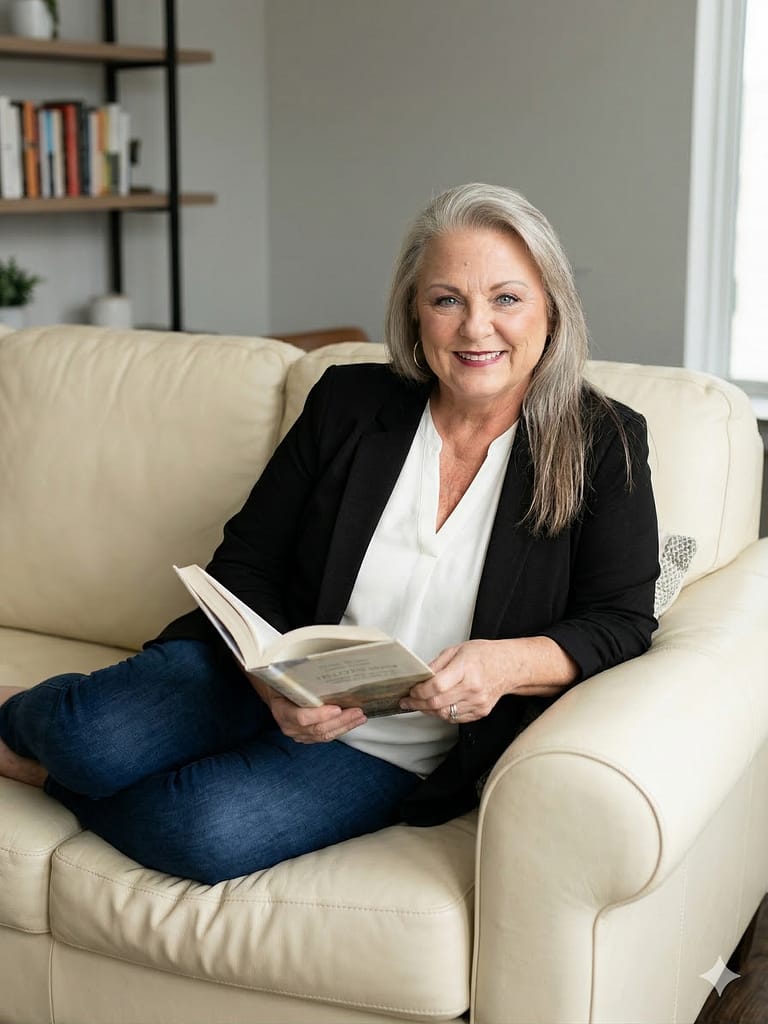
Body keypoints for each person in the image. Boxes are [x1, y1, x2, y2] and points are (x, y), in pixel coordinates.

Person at [0, 183, 659, 884]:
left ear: (551, 310)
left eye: (506, 298)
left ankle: (46, 778)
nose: (475, 329)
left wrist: (506, 665)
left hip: (393, 748)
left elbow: (621, 621)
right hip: (251, 675)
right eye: (447, 299)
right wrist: (272, 686)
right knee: (86, 736)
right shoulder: (348, 404)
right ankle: (32, 732)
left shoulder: (603, 442)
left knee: (205, 833)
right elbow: (245, 563)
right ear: (414, 311)